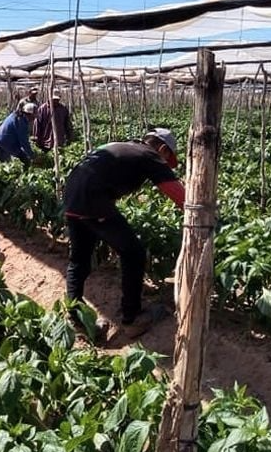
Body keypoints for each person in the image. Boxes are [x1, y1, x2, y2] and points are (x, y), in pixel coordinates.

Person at [62, 128, 185, 338]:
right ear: (163, 149)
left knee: (79, 259)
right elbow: (179, 195)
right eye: (168, 157)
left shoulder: (124, 146)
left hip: (72, 195)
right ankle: (132, 317)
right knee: (133, 252)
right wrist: (208, 216)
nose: (166, 162)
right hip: (93, 200)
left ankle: (75, 318)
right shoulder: (150, 155)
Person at [0, 103, 37, 168]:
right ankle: (24, 174)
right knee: (25, 159)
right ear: (28, 114)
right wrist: (32, 156)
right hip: (5, 141)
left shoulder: (16, 114)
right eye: (33, 117)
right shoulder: (21, 122)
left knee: (4, 164)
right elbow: (24, 142)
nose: (33, 119)